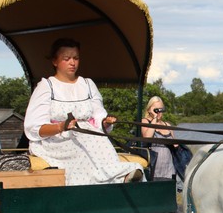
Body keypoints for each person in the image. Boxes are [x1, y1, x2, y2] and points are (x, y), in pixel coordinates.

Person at [23, 38, 141, 186]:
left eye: (76, 58)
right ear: (55, 61)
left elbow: (98, 116)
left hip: (90, 136)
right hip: (59, 141)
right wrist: (61, 127)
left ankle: (120, 179)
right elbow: (34, 127)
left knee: (104, 149)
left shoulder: (87, 84)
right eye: (67, 59)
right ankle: (116, 179)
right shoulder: (47, 87)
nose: (72, 62)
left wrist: (104, 122)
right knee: (83, 154)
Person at [140, 96, 182, 213]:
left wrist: (176, 142)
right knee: (147, 204)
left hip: (168, 169)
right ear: (150, 109)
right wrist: (153, 119)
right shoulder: (146, 122)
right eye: (155, 109)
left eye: (160, 109)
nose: (159, 112)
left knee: (169, 206)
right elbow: (147, 137)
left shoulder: (168, 125)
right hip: (153, 169)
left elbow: (175, 144)